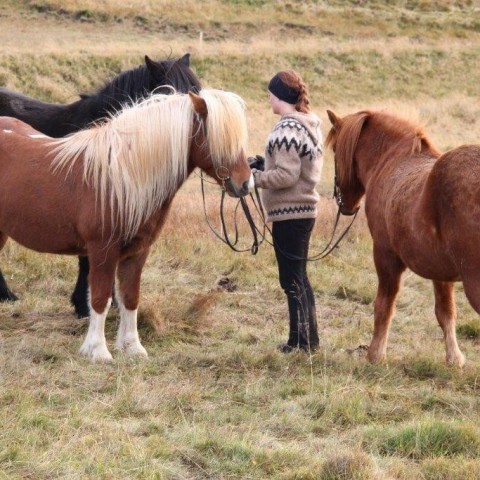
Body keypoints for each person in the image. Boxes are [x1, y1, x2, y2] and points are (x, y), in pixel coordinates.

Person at [250, 70, 323, 353]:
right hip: (303, 212)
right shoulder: (306, 124)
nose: (268, 98)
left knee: (292, 279)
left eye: (270, 93)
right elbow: (292, 166)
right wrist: (261, 162)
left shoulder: (286, 129)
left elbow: (286, 176)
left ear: (279, 95)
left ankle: (304, 343)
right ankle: (302, 340)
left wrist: (252, 179)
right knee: (297, 277)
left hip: (290, 213)